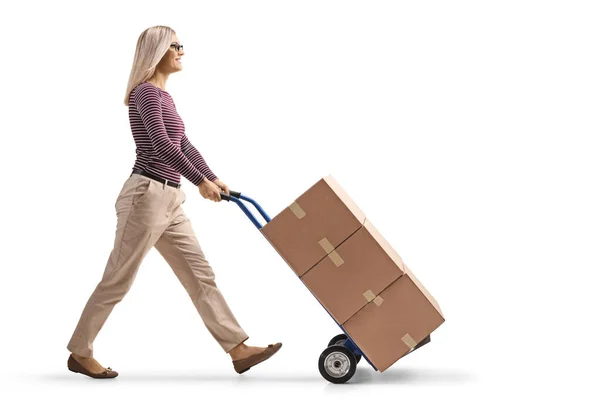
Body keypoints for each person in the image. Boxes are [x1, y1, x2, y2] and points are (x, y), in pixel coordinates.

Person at [66, 25, 282, 379]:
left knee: (200, 275)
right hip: (145, 197)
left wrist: (211, 176)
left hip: (170, 200)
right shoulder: (146, 94)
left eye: (182, 45)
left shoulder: (164, 97)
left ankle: (237, 348)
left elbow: (184, 144)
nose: (182, 50)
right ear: (157, 52)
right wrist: (200, 182)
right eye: (175, 45)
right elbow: (163, 146)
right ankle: (79, 351)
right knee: (118, 279)